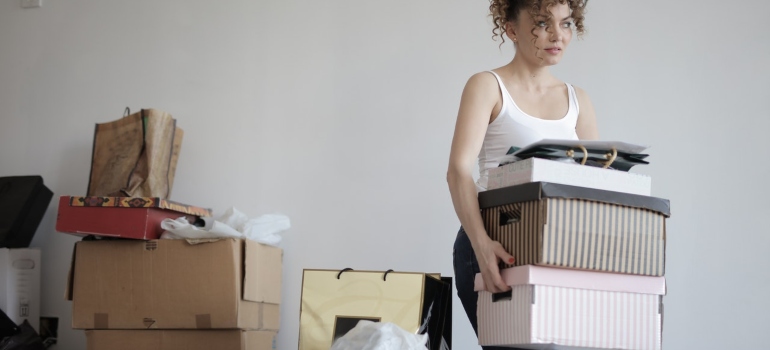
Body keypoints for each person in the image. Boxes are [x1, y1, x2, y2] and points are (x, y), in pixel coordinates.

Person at [447, 0, 598, 348]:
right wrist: (482, 247)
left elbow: (595, 186)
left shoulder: (580, 101)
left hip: (562, 250)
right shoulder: (487, 85)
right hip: (497, 244)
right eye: (543, 23)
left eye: (566, 23)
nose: (558, 35)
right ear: (512, 29)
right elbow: (458, 172)